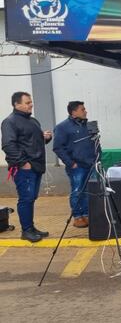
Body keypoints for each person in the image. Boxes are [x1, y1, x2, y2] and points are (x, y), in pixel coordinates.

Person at [1, 92, 53, 242]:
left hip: (36, 166)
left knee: (31, 198)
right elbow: (8, 145)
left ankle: (31, 227)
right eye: (27, 102)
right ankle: (26, 231)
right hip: (24, 168)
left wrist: (44, 137)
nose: (31, 104)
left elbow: (30, 141)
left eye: (31, 102)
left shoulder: (32, 121)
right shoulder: (9, 122)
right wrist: (24, 163)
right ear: (17, 104)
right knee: (26, 198)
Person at [53, 101, 100, 228]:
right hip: (76, 166)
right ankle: (78, 216)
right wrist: (70, 163)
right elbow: (57, 148)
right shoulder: (62, 127)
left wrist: (97, 158)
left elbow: (95, 143)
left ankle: (87, 214)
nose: (86, 111)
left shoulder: (88, 126)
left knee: (89, 191)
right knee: (77, 191)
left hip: (91, 165)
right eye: (82, 109)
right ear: (74, 112)